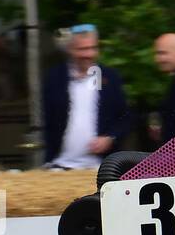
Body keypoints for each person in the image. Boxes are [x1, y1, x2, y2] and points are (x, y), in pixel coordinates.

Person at [42, 24, 132, 168]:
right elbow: (47, 119)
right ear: (70, 50)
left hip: (101, 166)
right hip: (60, 165)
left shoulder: (109, 77)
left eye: (93, 48)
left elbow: (125, 117)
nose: (88, 54)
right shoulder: (55, 78)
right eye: (82, 49)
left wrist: (110, 137)